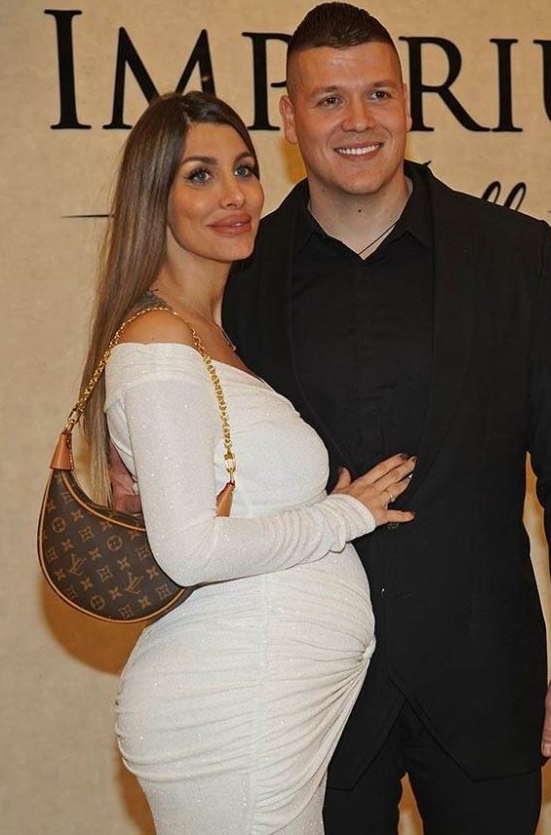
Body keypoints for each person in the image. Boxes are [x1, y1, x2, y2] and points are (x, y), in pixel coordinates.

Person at [220, 2, 551, 834]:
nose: (358, 121)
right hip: (315, 684)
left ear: (408, 103)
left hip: (483, 674)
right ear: (289, 118)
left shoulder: (512, 253)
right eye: (329, 100)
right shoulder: (240, 272)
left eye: (379, 94)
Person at [85, 91, 417, 833]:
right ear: (154, 199)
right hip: (233, 708)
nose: (235, 194)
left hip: (263, 708)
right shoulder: (159, 345)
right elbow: (190, 549)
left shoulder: (209, 335)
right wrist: (344, 515)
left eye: (243, 168)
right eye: (200, 176)